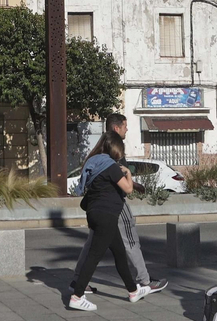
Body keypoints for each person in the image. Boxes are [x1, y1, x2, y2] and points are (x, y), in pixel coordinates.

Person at [71, 114, 167, 299]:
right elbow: (123, 183)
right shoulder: (113, 155)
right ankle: (144, 281)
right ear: (116, 128)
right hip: (113, 206)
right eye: (124, 126)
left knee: (102, 247)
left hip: (97, 207)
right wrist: (134, 184)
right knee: (128, 241)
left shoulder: (98, 153)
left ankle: (80, 281)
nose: (127, 129)